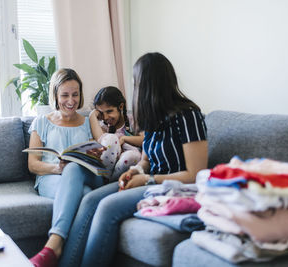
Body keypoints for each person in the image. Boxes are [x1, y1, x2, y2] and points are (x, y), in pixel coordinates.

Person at [80, 52, 208, 267]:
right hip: (150, 181)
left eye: (136, 82)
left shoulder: (188, 115)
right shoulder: (153, 116)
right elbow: (146, 162)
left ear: (148, 84)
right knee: (90, 200)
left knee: (107, 207)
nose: (134, 87)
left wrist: (147, 180)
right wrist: (136, 171)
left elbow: (195, 175)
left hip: (172, 186)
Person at [28, 68, 107, 267]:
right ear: (55, 94)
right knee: (87, 197)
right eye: (64, 95)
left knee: (75, 171)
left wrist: (97, 154)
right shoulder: (42, 122)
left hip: (87, 174)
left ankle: (53, 245)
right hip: (52, 176)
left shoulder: (88, 122)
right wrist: (57, 169)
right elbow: (33, 164)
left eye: (75, 94)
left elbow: (100, 152)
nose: (70, 101)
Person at [89, 86, 143, 181]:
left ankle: (110, 181)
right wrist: (92, 115)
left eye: (109, 111)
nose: (105, 117)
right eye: (101, 113)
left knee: (131, 156)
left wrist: (123, 139)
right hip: (108, 164)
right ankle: (104, 178)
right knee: (110, 139)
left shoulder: (132, 120)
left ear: (121, 106)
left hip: (128, 162)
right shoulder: (103, 126)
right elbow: (100, 140)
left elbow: (145, 140)